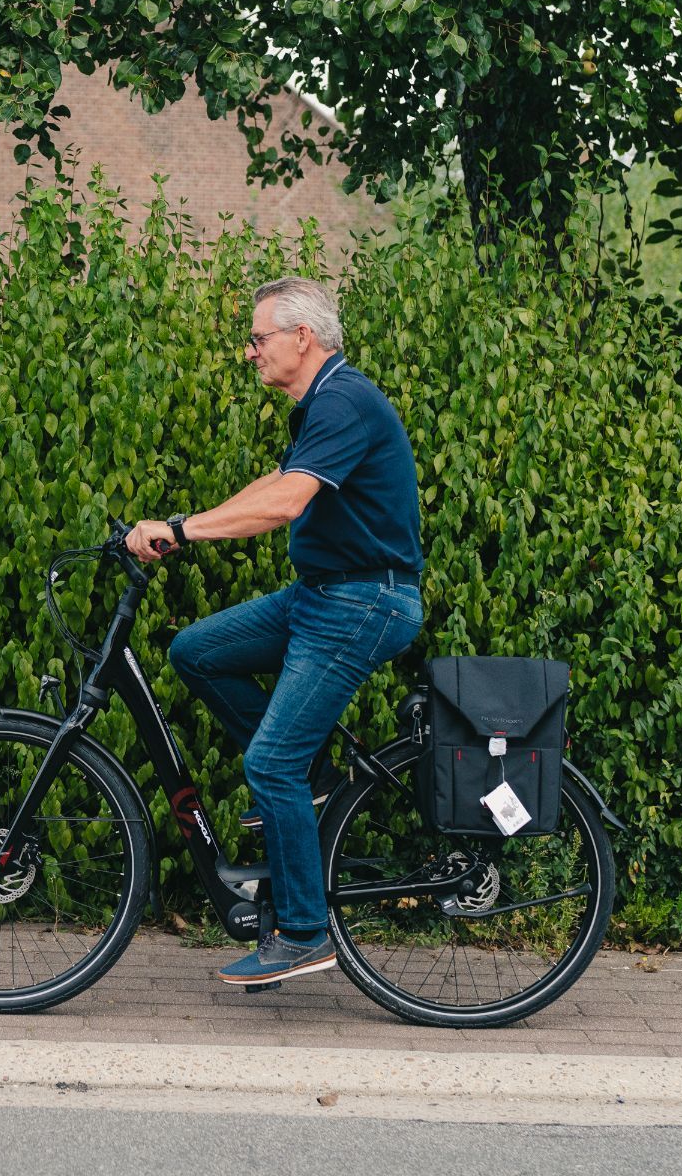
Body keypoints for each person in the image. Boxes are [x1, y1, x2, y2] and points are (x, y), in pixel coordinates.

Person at [123, 276, 423, 986]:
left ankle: (305, 931)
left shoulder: (344, 400)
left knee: (269, 765)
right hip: (322, 594)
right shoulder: (322, 405)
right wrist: (178, 528)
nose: (249, 352)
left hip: (363, 603)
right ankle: (313, 770)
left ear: (302, 338)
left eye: (258, 339)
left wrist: (179, 530)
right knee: (197, 650)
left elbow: (287, 503)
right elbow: (275, 482)